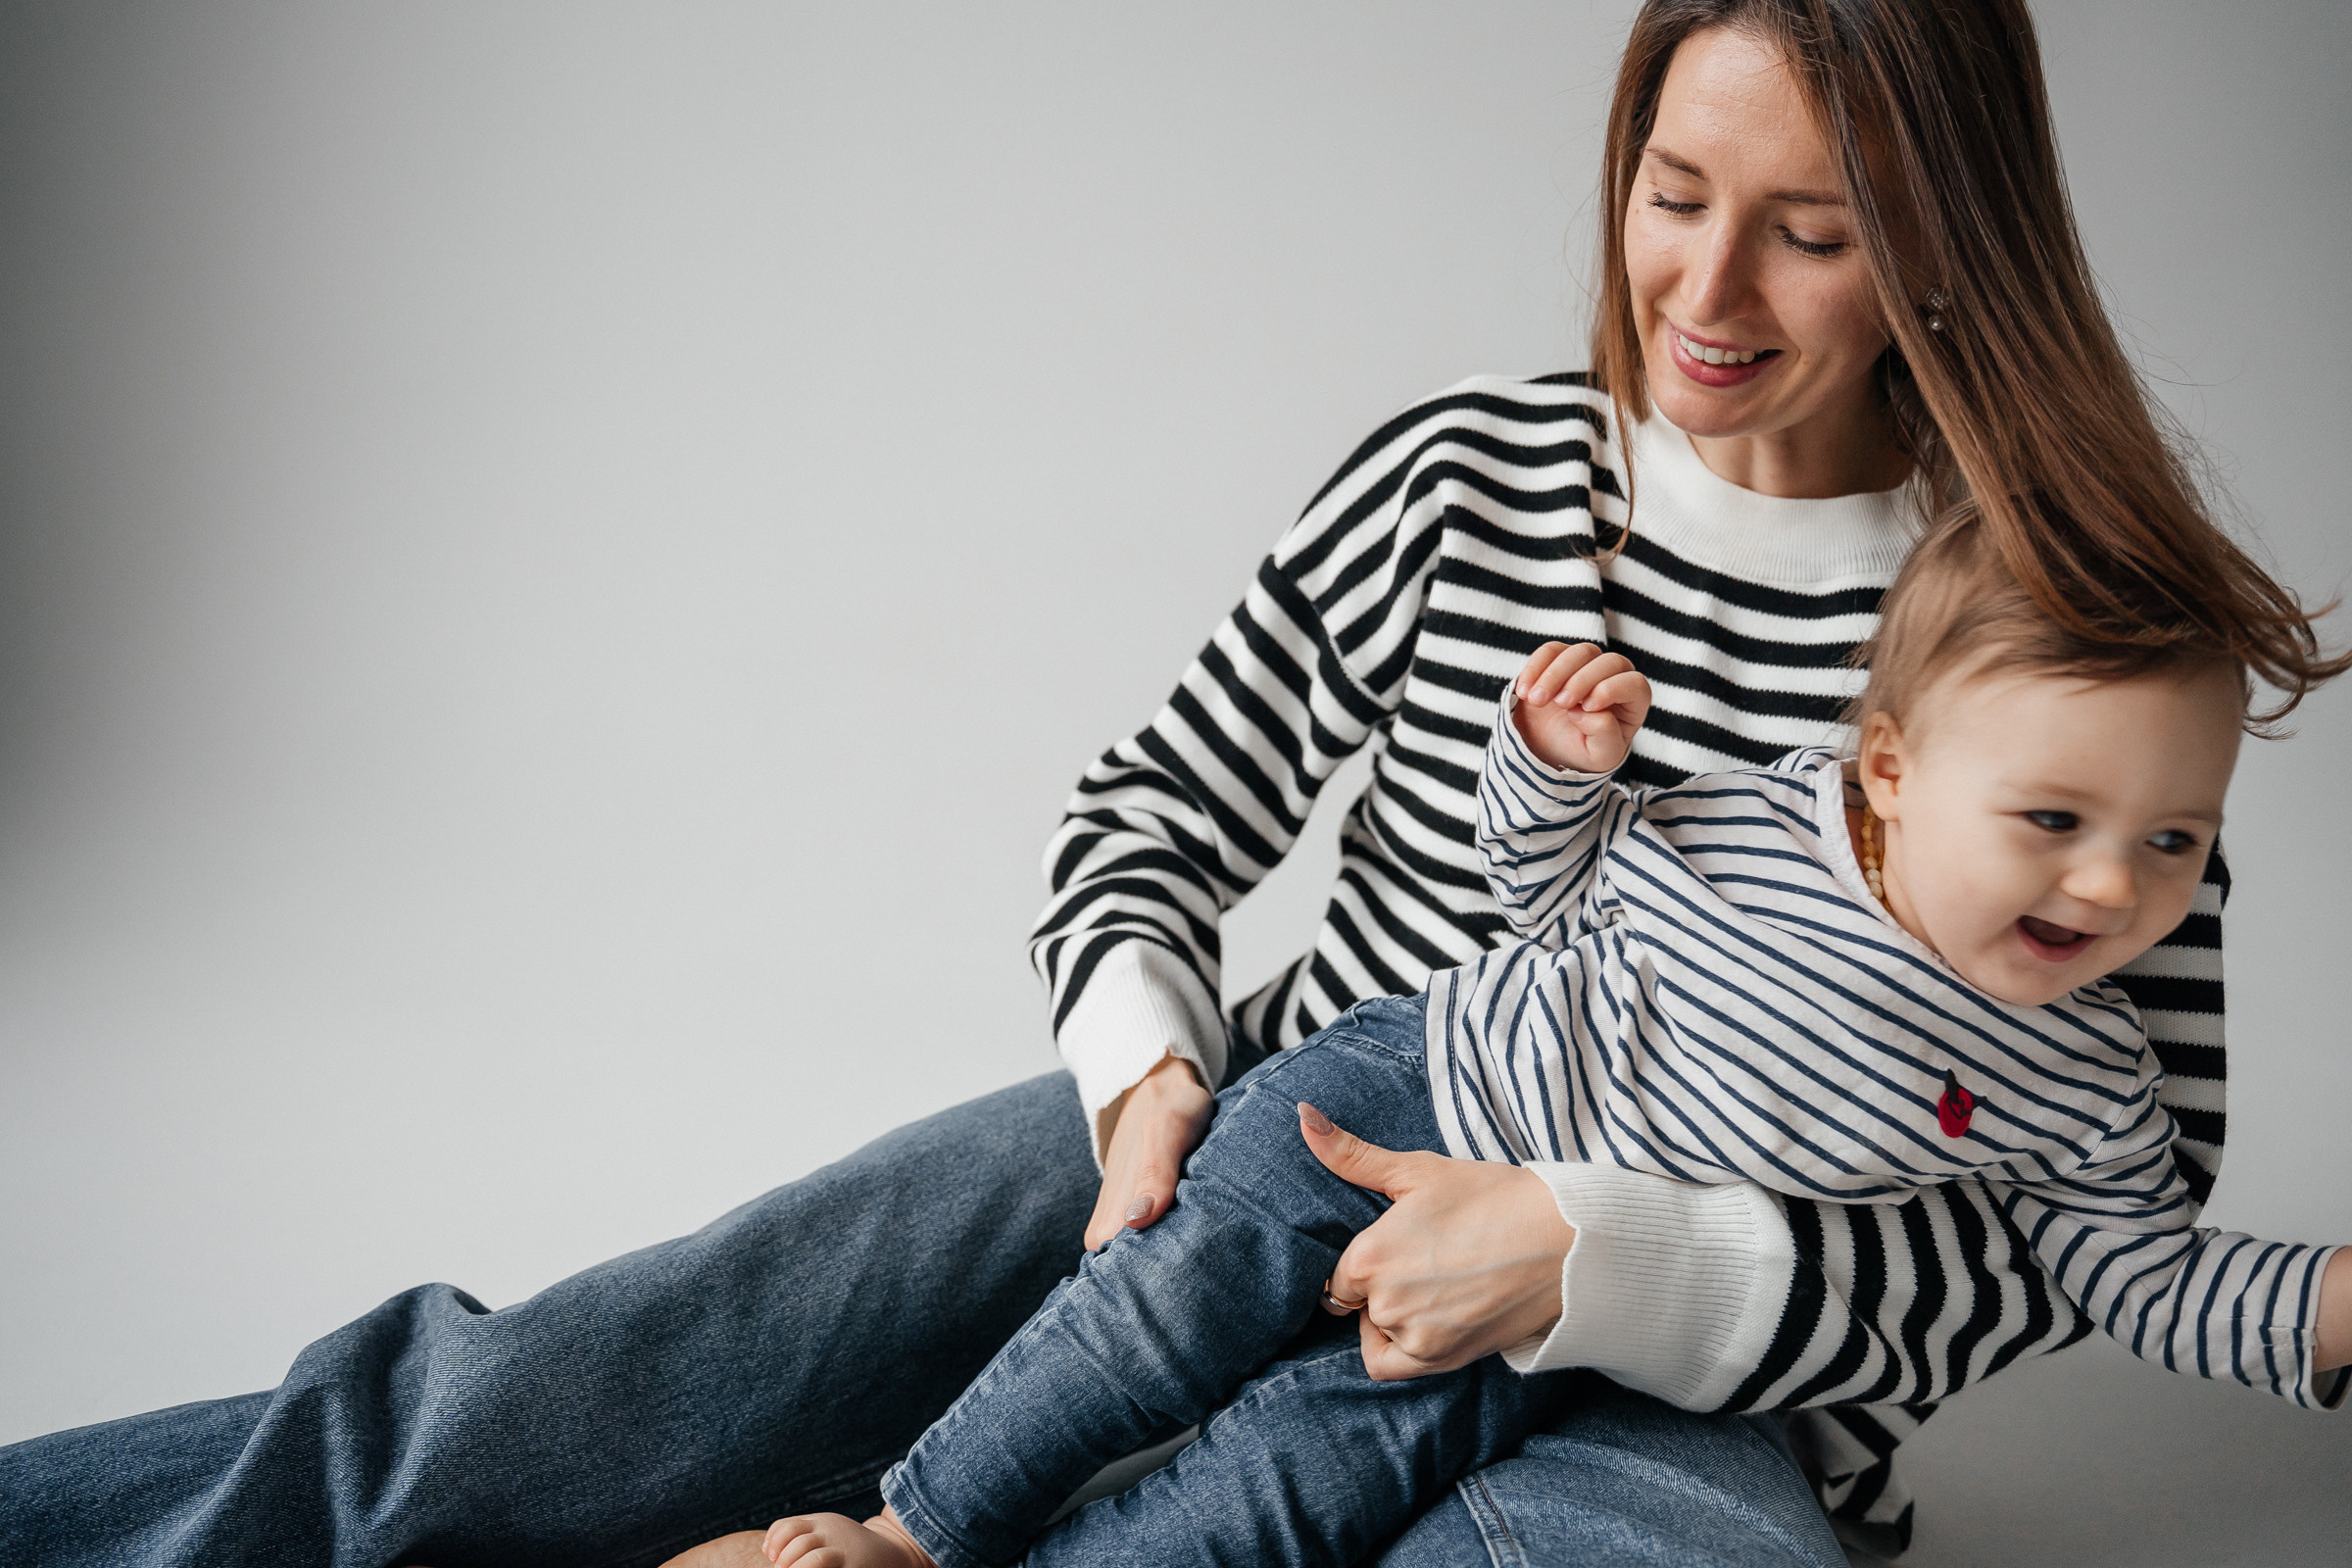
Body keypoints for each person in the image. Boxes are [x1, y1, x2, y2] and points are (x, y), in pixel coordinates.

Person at [0, 3, 2293, 1564]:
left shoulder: (2064, 639)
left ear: (1948, 237)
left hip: (1676, 1377)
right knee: (553, 1404)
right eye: (1673, 187)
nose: (1709, 287)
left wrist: (1611, 1259)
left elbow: (2087, 1221)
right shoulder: (1471, 474)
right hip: (1269, 1144)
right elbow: (1152, 811)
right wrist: (1146, 1083)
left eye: (1814, 229)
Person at [748, 511, 2348, 1568]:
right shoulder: (1763, 824)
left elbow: (2138, 1276)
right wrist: (1551, 767)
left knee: (1308, 1469)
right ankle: (917, 1527)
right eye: (2055, 818)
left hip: (1561, 1299)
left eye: (2172, 841)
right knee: (1162, 1306)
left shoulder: (2083, 1076)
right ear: (1890, 772)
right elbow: (1543, 881)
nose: (2109, 884)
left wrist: (2327, 1307)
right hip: (1407, 1088)